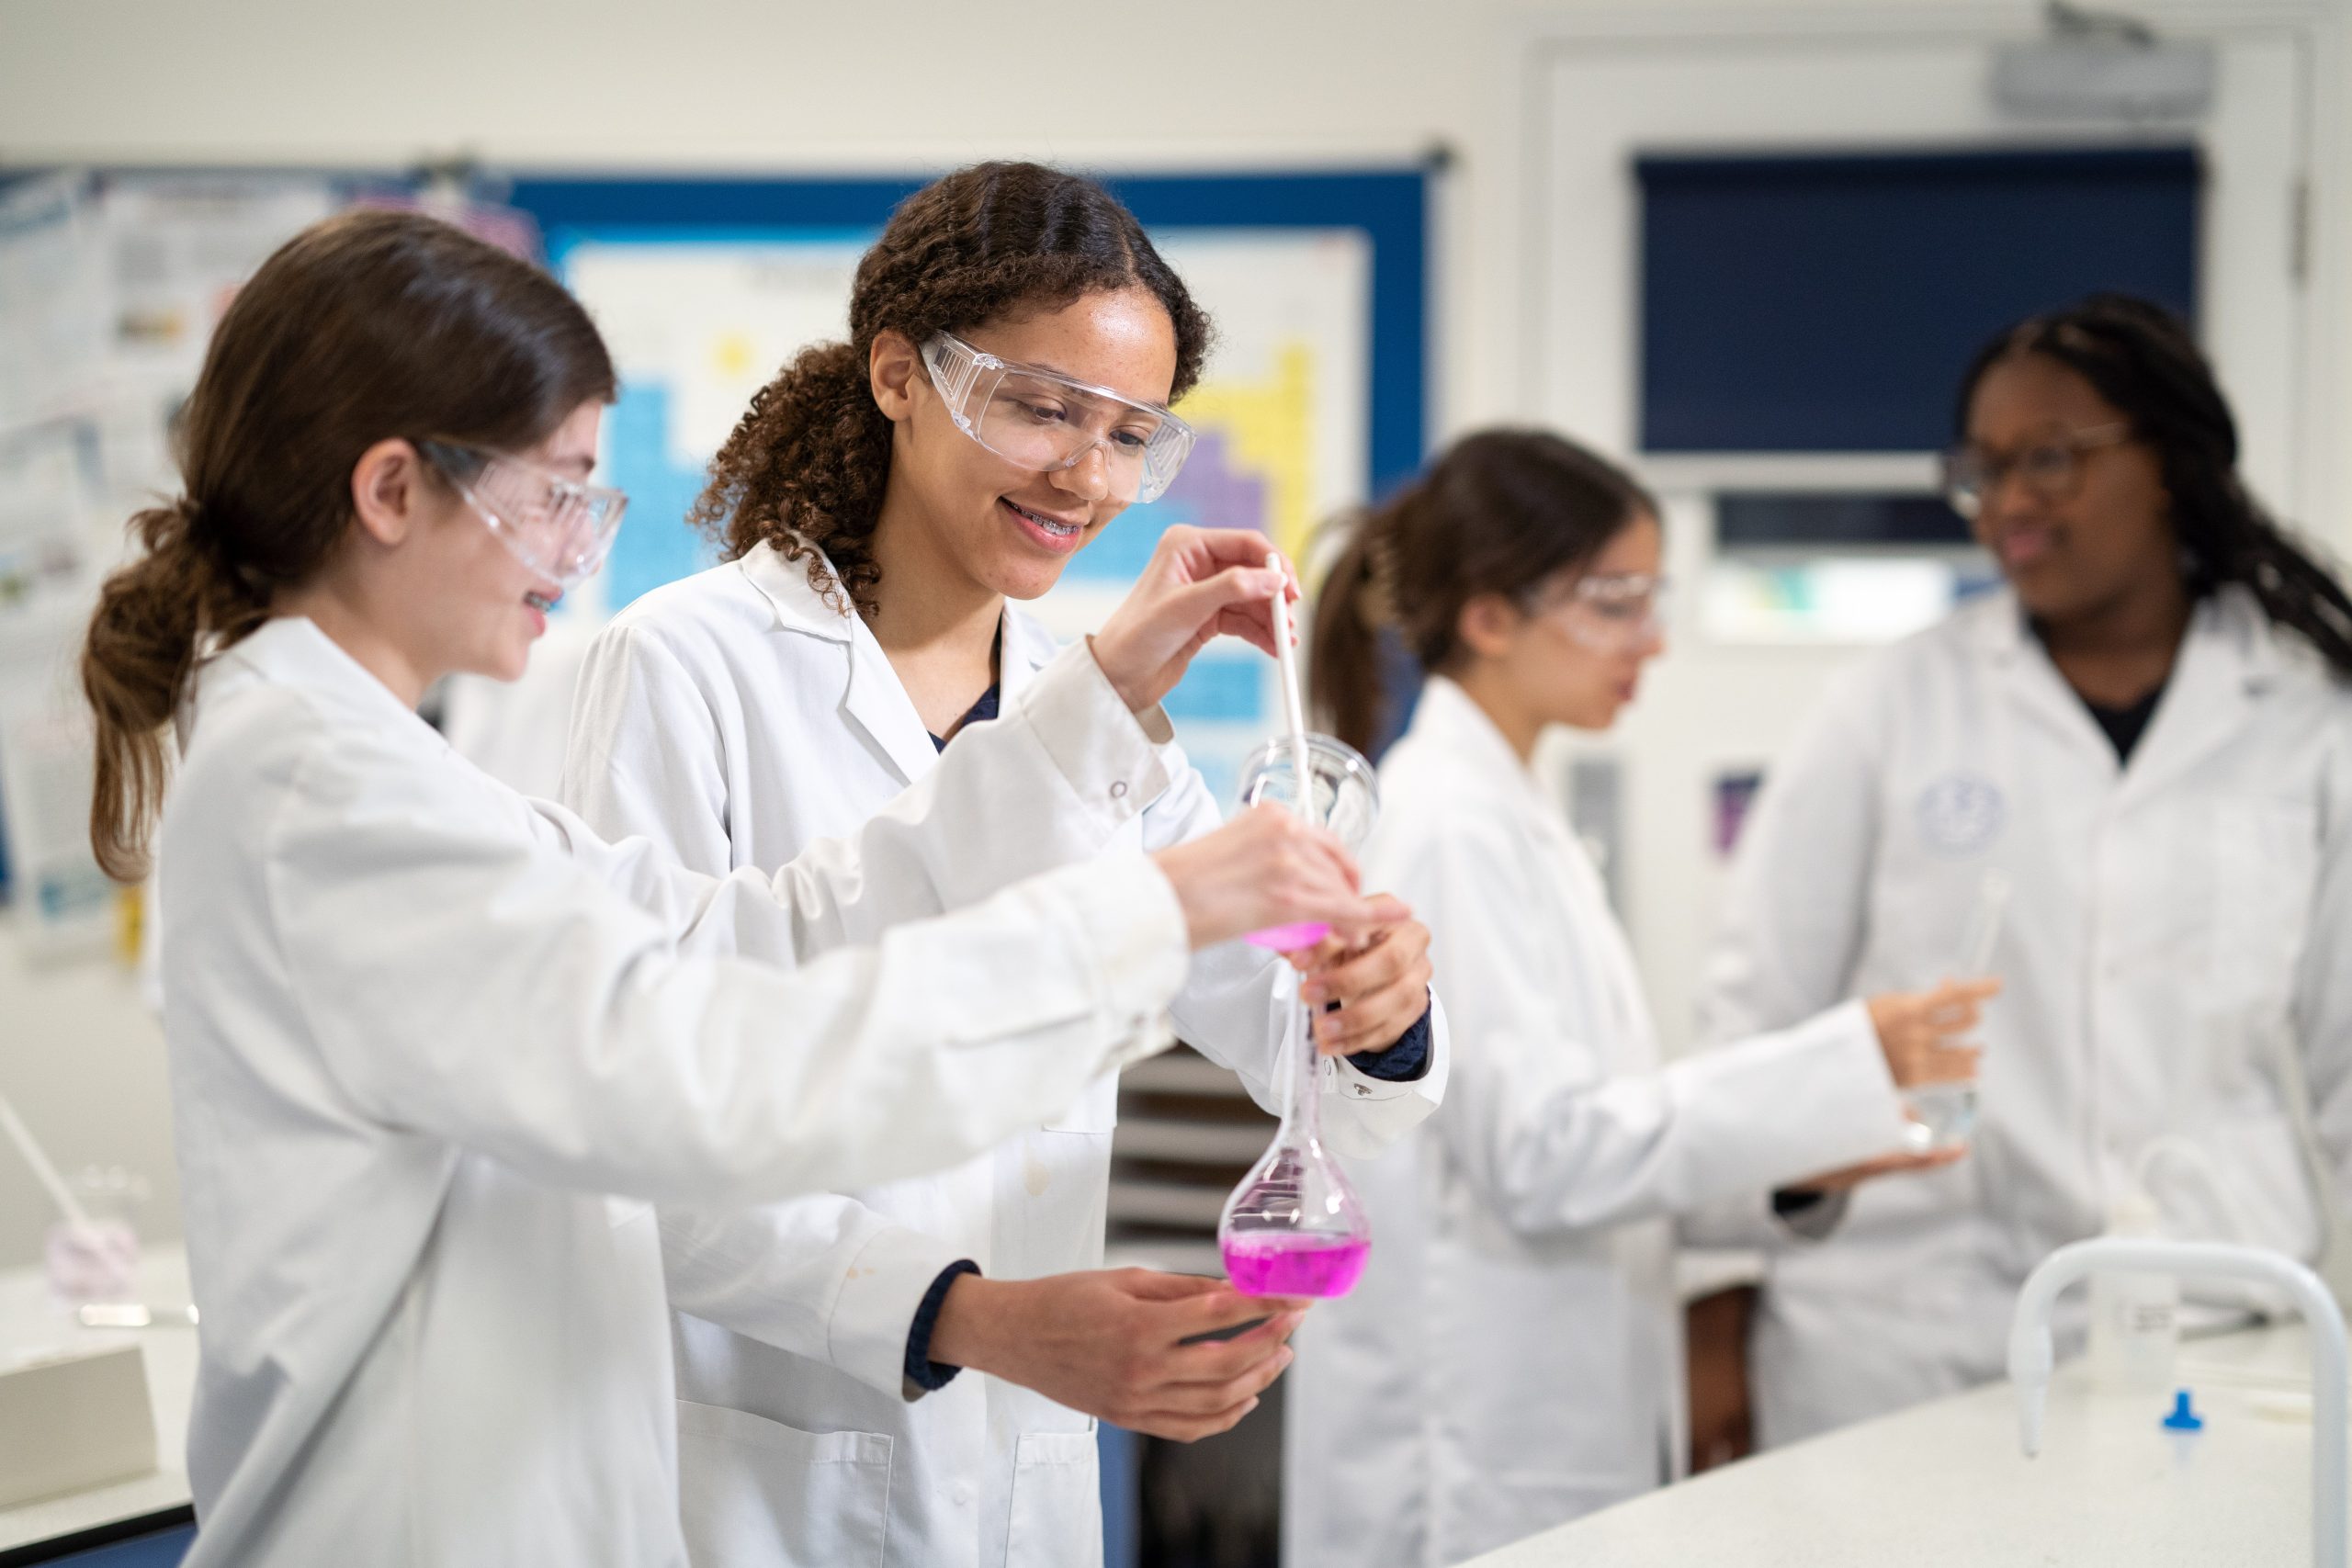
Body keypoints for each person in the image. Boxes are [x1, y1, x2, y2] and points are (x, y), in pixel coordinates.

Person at [77, 209, 1378, 1568]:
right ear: (393, 492)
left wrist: (1091, 712)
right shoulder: (329, 798)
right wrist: (1144, 916)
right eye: (555, 491)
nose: (577, 550)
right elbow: (713, 1079)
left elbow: (757, 934)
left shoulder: (390, 777)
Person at [560, 161, 1445, 1568]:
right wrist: (967, 1314)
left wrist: (1377, 1012)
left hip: (1025, 1478)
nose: (1084, 475)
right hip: (764, 1487)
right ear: (898, 374)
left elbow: (1306, 1064)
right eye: (1041, 407)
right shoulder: (688, 666)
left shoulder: (1096, 720)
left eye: (1129, 433)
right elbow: (624, 1134)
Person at [1281, 429, 1991, 1568]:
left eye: (1651, 600)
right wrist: (1836, 1071)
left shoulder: (1515, 815)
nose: (1651, 639)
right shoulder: (1451, 826)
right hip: (1462, 1460)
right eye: (1614, 601)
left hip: (1528, 1425)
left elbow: (1588, 1150)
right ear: (1491, 617)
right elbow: (1545, 1157)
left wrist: (1803, 1158)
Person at [1702, 293, 2352, 1446]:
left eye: (2049, 459)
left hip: (2214, 1326)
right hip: (1905, 1341)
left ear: (2170, 465)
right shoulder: (1887, 709)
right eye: (1983, 470)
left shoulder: (2305, 724)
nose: (2008, 503)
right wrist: (1722, 1290)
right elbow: (1754, 1023)